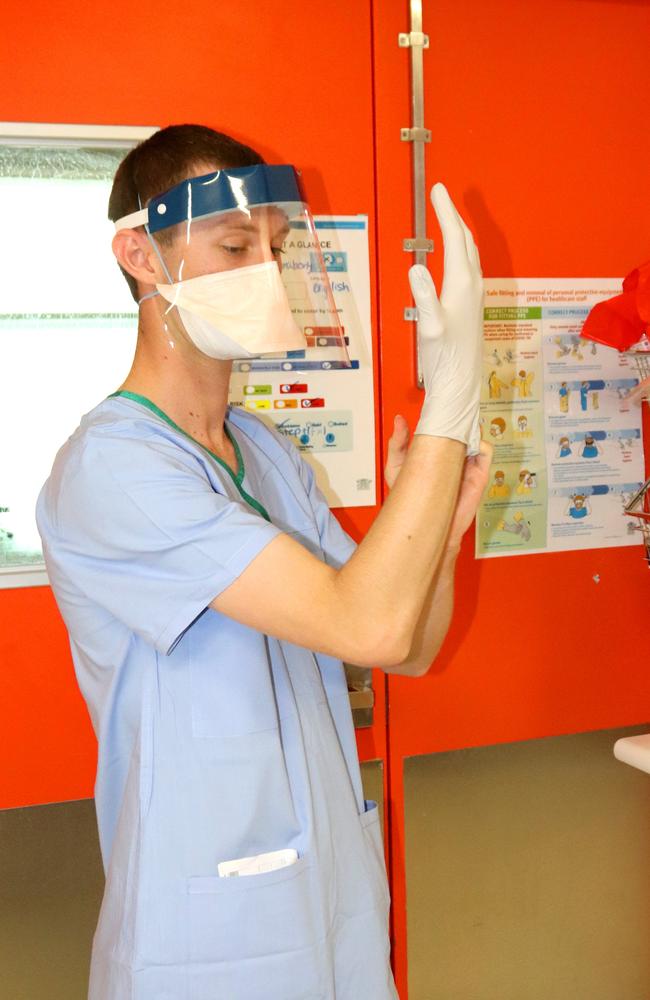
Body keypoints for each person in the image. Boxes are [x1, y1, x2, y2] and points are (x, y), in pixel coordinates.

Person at [36, 124, 491, 1000]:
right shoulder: (117, 467)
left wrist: (442, 522)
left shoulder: (265, 450)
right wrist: (451, 400)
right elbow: (372, 618)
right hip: (207, 925)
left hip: (329, 902)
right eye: (236, 245)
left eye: (275, 251)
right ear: (140, 253)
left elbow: (404, 645)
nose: (266, 274)